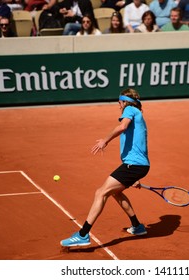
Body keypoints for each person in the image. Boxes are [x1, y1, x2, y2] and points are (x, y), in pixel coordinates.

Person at [60, 88, 150, 247]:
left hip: (134, 165)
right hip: (137, 165)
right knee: (115, 192)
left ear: (124, 101)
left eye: (119, 102)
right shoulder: (138, 113)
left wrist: (105, 141)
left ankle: (83, 234)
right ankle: (137, 226)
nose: (118, 105)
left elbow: (122, 127)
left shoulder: (130, 109)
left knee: (100, 192)